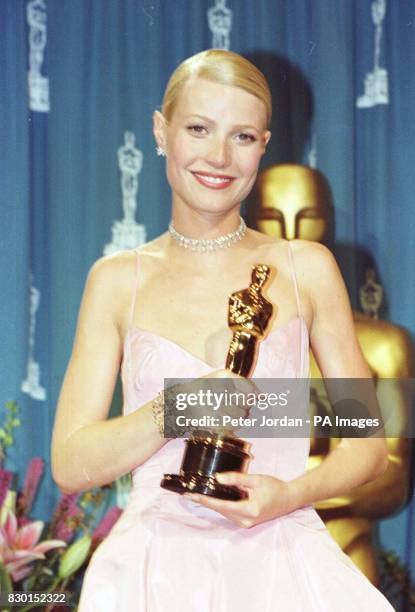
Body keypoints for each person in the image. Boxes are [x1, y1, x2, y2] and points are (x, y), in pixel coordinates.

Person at [51, 50, 393, 611]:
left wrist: (289, 495)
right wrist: (178, 409)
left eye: (241, 137)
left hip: (284, 564)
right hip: (149, 575)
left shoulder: (305, 267)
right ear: (161, 132)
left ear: (264, 144)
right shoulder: (116, 281)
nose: (218, 156)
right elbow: (69, 462)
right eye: (198, 129)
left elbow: (368, 443)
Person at [254, 163, 413, 585]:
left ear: (331, 222)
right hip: (246, 561)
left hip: (344, 558)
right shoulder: (224, 343)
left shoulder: (381, 346)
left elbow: (392, 482)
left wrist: (288, 495)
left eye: (307, 217)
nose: (289, 233)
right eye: (272, 216)